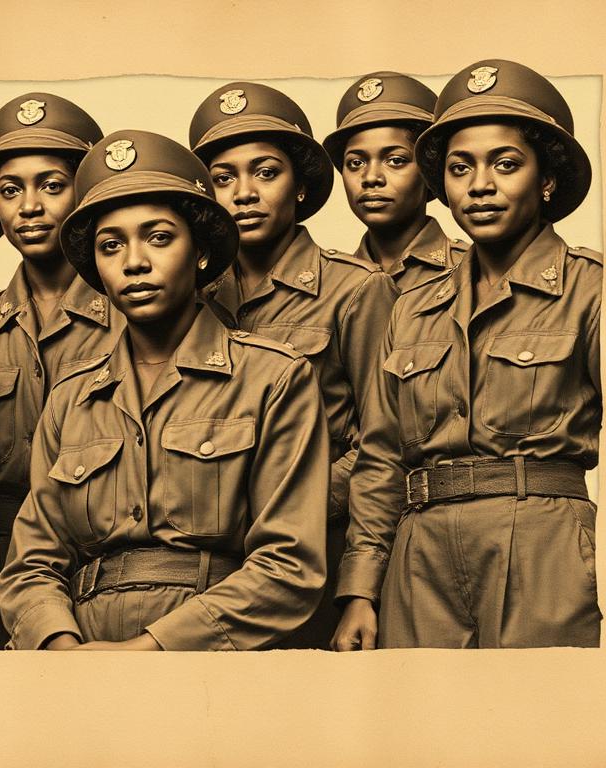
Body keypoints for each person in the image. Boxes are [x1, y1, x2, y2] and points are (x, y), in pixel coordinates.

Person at [0, 130, 329, 650]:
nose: (134, 262)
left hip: (212, 656)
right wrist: (60, 645)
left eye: (158, 238)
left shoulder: (273, 378)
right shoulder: (70, 397)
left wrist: (149, 648)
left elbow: (289, 566)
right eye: (111, 246)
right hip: (78, 655)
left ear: (200, 252)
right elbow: (31, 563)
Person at [333, 59, 602, 649]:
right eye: (460, 169)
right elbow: (381, 456)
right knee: (422, 735)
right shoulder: (411, 305)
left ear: (547, 179)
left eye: (505, 165)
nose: (480, 185)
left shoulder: (593, 288)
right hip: (419, 554)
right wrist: (360, 589)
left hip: (545, 542)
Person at [188, 82, 396, 648]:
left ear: (302, 186)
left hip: (319, 551)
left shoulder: (355, 290)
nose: (244, 194)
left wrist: (360, 586)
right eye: (223, 178)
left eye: (266, 173)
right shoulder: (192, 297)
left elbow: (383, 442)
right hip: (214, 562)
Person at [0, 93, 124, 647]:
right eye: (10, 191)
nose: (29, 206)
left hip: (110, 570)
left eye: (52, 186)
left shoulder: (139, 314)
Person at [323, 71, 466, 290]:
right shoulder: (329, 284)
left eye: (395, 160)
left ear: (429, 171)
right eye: (355, 163)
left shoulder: (470, 272)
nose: (371, 178)